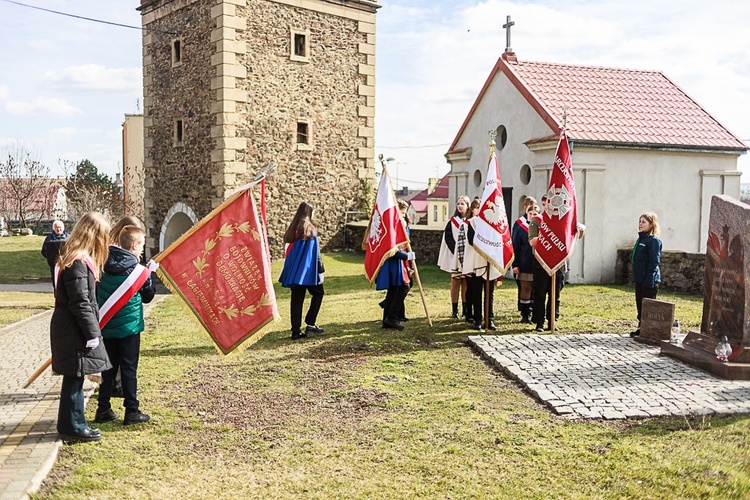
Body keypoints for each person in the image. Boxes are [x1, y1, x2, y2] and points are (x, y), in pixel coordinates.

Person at [50, 212, 112, 443]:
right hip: (73, 327)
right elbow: (80, 301)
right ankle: (73, 427)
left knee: (74, 377)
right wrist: (92, 333)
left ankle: (72, 424)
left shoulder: (76, 259)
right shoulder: (77, 262)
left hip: (71, 326)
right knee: (74, 377)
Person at [95, 225, 156, 425]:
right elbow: (148, 297)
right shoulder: (138, 271)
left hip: (107, 326)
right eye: (142, 246)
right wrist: (151, 274)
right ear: (133, 245)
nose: (142, 250)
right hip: (129, 328)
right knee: (129, 369)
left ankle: (103, 409)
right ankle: (132, 410)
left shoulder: (102, 263)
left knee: (108, 369)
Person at [279, 202, 325, 340]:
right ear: (309, 212)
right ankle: (310, 323)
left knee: (296, 300)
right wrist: (320, 271)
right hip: (308, 271)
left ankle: (295, 331)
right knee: (318, 293)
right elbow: (315, 253)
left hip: (294, 270)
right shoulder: (310, 229)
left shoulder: (293, 228)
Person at [466, 197, 500, 331]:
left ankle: (489, 319)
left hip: (489, 261)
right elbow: (470, 240)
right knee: (476, 292)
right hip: (477, 260)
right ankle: (477, 319)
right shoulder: (473, 223)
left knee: (489, 293)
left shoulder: (493, 223)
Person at [437, 196, 471, 320]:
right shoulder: (452, 222)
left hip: (468, 257)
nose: (459, 206)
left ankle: (466, 309)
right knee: (456, 282)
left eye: (462, 203)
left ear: (468, 206)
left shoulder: (471, 220)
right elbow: (448, 238)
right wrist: (456, 251)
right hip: (455, 257)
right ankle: (454, 309)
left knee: (466, 283)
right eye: (458, 203)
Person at [630, 212, 662, 337]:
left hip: (649, 280)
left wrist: (649, 280)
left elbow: (654, 262)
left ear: (651, 224)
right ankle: (641, 327)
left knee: (647, 306)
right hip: (639, 279)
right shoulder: (641, 239)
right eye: (640, 221)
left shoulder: (653, 241)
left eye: (644, 222)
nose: (640, 224)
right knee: (640, 304)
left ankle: (648, 330)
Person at [512, 201, 538, 324]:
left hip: (537, 264)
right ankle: (525, 314)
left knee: (535, 289)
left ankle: (533, 314)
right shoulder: (521, 227)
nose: (532, 215)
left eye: (535, 214)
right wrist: (515, 264)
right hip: (524, 263)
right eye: (530, 213)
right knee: (525, 288)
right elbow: (515, 247)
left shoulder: (541, 228)